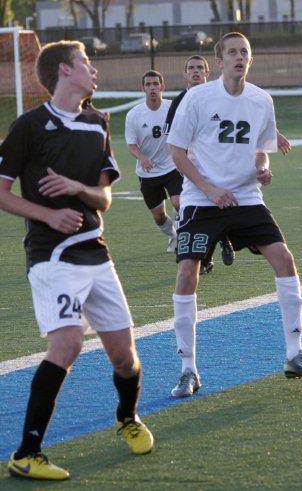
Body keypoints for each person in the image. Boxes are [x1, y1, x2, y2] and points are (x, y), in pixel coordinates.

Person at [0, 41, 153, 481]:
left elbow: (103, 197)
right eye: (87, 62)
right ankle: (27, 453)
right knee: (66, 344)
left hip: (96, 253)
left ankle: (127, 417)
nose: (94, 70)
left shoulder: (96, 123)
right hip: (52, 256)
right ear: (65, 70)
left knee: (125, 358)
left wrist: (76, 188)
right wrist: (49, 213)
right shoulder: (28, 126)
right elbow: (1, 193)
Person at [167, 32, 302, 398]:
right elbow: (176, 152)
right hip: (201, 199)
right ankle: (187, 369)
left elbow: (262, 151)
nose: (239, 58)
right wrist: (209, 190)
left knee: (284, 260)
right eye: (232, 52)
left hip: (245, 198)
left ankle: (295, 353)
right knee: (186, 272)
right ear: (219, 60)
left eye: (245, 53)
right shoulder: (197, 98)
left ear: (250, 61)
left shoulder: (261, 100)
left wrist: (263, 169)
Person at [164, 55, 235, 273]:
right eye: (191, 68)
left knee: (220, 206)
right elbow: (171, 139)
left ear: (207, 72)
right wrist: (182, 164)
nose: (195, 71)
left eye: (199, 68)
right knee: (191, 208)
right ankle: (200, 257)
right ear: (185, 74)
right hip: (190, 167)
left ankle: (221, 239)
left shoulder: (221, 97)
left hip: (219, 165)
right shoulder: (179, 102)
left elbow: (244, 118)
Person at [125, 70, 184, 254]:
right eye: (148, 84)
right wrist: (142, 157)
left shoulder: (172, 108)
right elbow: (132, 145)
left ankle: (183, 237)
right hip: (148, 173)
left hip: (172, 165)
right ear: (143, 88)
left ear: (162, 86)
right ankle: (173, 235)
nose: (152, 88)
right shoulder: (134, 114)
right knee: (159, 216)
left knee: (179, 202)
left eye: (155, 84)